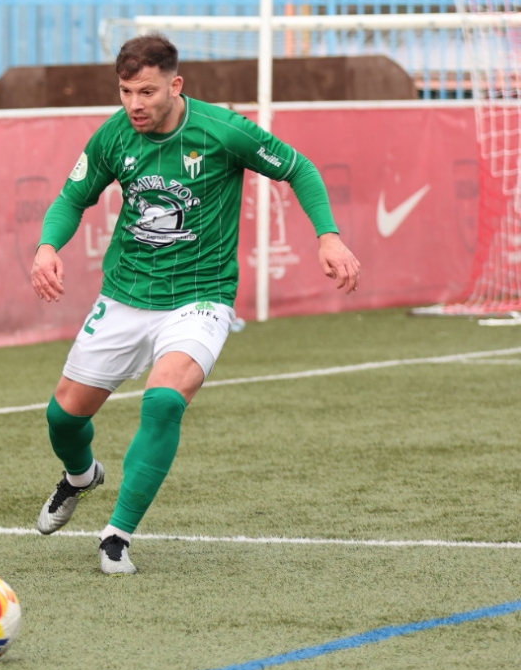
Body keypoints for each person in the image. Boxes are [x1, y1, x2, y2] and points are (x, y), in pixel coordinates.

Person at [28, 34, 360, 575]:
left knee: (162, 402)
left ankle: (118, 534)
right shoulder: (114, 136)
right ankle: (81, 476)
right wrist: (47, 247)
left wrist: (328, 235)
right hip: (127, 294)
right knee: (62, 418)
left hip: (201, 298)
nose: (135, 104)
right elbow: (72, 197)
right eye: (126, 91)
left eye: (147, 92)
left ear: (175, 85)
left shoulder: (220, 129)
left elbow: (298, 168)